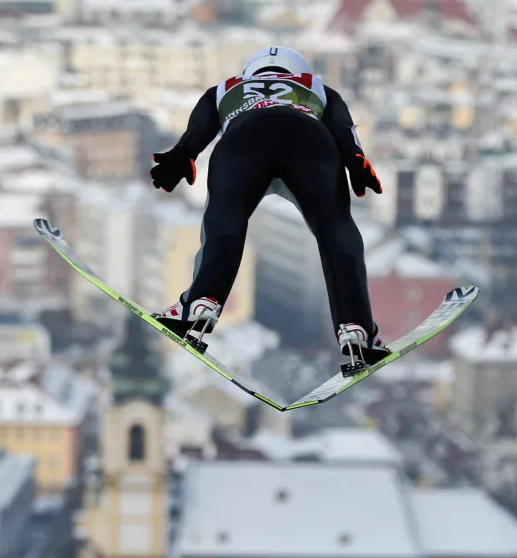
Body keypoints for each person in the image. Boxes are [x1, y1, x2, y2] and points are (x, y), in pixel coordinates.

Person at [148, 46, 390, 369]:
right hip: (309, 141)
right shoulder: (317, 87)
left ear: (251, 71)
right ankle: (357, 329)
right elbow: (345, 133)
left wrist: (182, 155)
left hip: (243, 141)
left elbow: (197, 131)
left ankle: (199, 305)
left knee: (224, 223)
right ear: (296, 71)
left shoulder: (226, 88)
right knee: (337, 233)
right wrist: (357, 163)